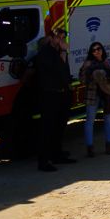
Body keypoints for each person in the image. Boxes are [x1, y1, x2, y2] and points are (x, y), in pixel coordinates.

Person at [32, 30, 74, 172]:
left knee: (59, 127)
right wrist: (63, 52)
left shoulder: (58, 53)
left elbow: (65, 73)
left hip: (61, 95)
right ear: (51, 39)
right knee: (47, 129)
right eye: (58, 37)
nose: (61, 40)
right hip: (49, 95)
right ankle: (43, 161)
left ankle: (57, 154)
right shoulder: (45, 54)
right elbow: (58, 71)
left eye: (63, 37)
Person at [79, 41, 110, 158]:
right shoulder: (88, 64)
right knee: (90, 120)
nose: (97, 51)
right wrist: (88, 72)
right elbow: (82, 80)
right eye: (94, 50)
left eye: (99, 49)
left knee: (108, 118)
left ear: (102, 50)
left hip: (106, 95)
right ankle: (90, 147)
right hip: (92, 94)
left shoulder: (108, 62)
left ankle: (109, 145)